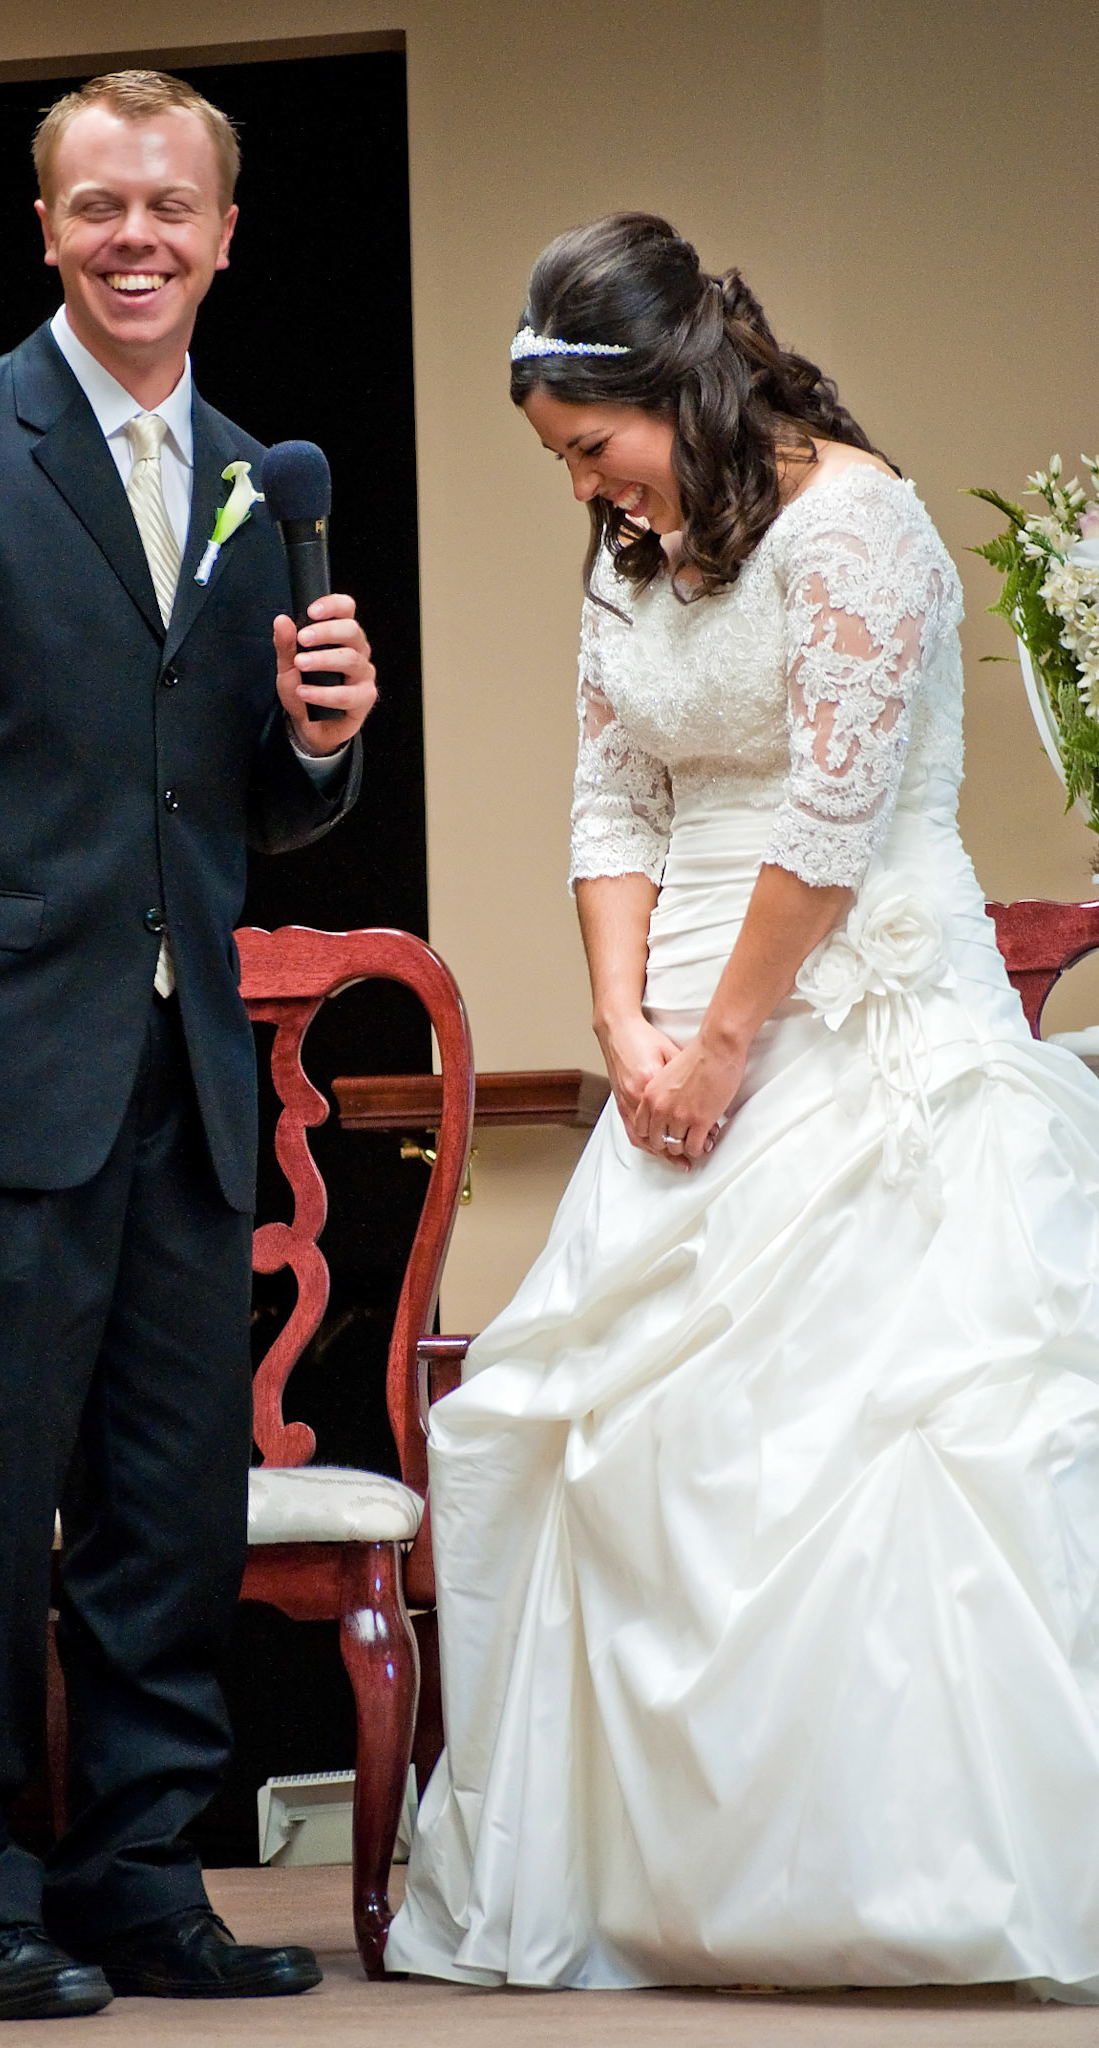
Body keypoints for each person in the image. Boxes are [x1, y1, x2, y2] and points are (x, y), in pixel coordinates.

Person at [386, 212, 1099, 2000]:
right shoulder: (635, 555)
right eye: (562, 464)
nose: (585, 493)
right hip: (673, 1030)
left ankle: (912, 1881)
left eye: (594, 449)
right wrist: (620, 1021)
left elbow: (833, 822)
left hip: (843, 1001)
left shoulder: (857, 524)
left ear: (683, 389)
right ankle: (666, 1893)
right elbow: (610, 801)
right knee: (624, 1435)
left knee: (880, 1435)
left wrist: (719, 1043)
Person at [0, 70, 376, 2022]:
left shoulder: (254, 477)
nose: (138, 238)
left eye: (171, 207)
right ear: (45, 227)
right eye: (101, 206)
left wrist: (321, 740)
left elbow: (241, 802)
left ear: (226, 236)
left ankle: (137, 1878)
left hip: (184, 1074)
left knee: (163, 1510)